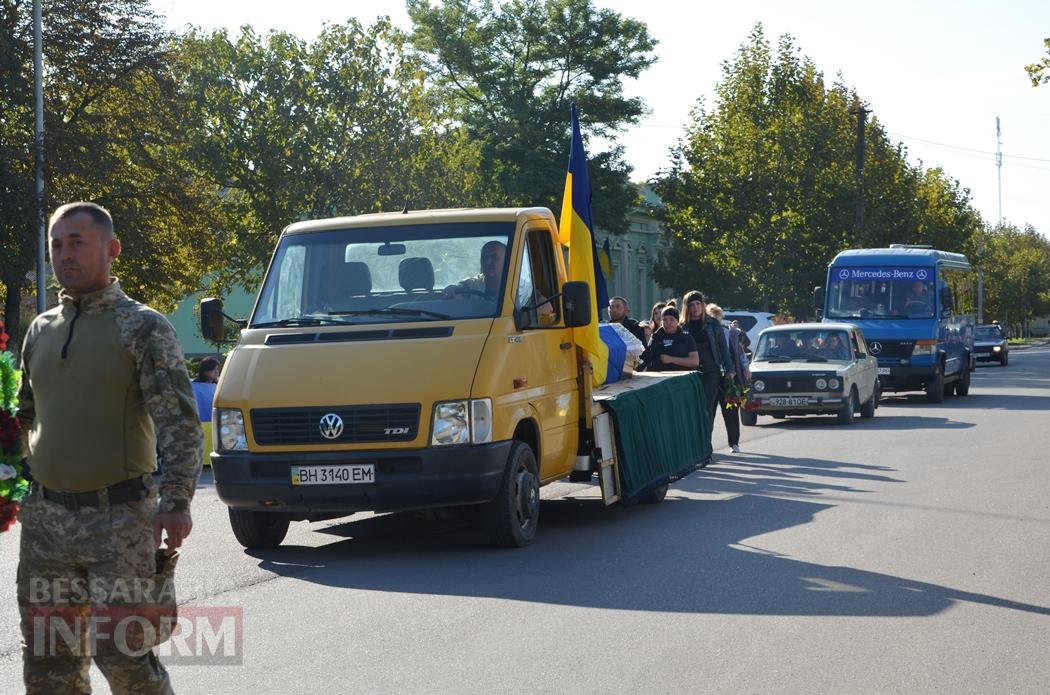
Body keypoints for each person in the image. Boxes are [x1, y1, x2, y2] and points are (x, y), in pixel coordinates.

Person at [17, 202, 202, 694]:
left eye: (76, 242)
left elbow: (178, 422)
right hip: (46, 524)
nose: (64, 255)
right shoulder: (40, 329)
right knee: (48, 660)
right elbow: (25, 416)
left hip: (119, 519)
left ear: (111, 249)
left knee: (124, 654)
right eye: (57, 245)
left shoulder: (143, 327)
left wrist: (177, 502)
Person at [682, 291, 736, 464]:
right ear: (687, 307)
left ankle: (705, 447)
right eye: (691, 305)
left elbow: (723, 348)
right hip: (690, 373)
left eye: (698, 304)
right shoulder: (683, 326)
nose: (695, 308)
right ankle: (693, 446)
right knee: (692, 410)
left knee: (707, 408)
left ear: (703, 305)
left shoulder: (713, 324)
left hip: (711, 371)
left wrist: (729, 369)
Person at [707, 304, 750, 454]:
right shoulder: (706, 331)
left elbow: (740, 352)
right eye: (712, 317)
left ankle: (734, 443)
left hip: (729, 377)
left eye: (717, 317)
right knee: (709, 412)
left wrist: (746, 367)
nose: (716, 320)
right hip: (711, 376)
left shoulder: (730, 333)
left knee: (731, 410)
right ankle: (707, 445)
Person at [639, 306, 698, 371]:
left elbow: (694, 361)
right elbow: (646, 359)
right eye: (665, 319)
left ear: (677, 321)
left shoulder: (686, 337)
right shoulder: (655, 337)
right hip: (659, 378)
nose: (668, 323)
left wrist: (671, 359)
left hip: (681, 378)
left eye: (671, 319)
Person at [191, 356, 221, 423]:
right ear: (205, 370)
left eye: (217, 369)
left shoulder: (218, 387)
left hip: (214, 425)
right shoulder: (192, 387)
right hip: (196, 424)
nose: (217, 372)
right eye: (213, 369)